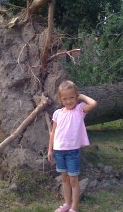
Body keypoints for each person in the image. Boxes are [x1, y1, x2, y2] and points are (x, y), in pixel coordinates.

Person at [48, 80, 98, 212]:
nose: (68, 101)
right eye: (65, 98)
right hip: (59, 151)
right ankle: (67, 204)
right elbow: (53, 132)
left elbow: (93, 103)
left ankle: (74, 208)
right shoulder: (58, 113)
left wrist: (81, 96)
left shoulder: (80, 109)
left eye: (71, 97)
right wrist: (50, 149)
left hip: (72, 152)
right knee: (64, 179)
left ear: (76, 97)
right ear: (60, 99)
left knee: (74, 180)